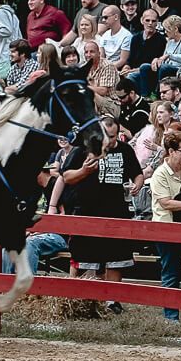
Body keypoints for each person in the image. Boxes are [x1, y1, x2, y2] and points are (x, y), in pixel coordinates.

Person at [59, 115, 144, 307]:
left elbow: (137, 173)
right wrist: (84, 172)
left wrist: (137, 184)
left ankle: (112, 301)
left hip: (116, 211)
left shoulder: (125, 150)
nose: (110, 140)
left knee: (117, 258)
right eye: (106, 136)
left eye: (113, 136)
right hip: (87, 211)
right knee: (84, 257)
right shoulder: (83, 149)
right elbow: (66, 176)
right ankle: (81, 300)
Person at [149, 128, 181, 322]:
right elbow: (165, 203)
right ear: (171, 151)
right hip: (166, 228)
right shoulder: (160, 174)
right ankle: (171, 317)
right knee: (171, 271)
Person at [120, 6, 167, 94]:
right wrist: (127, 67)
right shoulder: (135, 38)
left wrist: (132, 71)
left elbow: (154, 65)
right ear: (142, 20)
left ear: (157, 22)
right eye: (147, 20)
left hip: (148, 73)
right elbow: (130, 59)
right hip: (132, 70)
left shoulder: (161, 40)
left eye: (153, 21)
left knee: (131, 78)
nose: (150, 23)